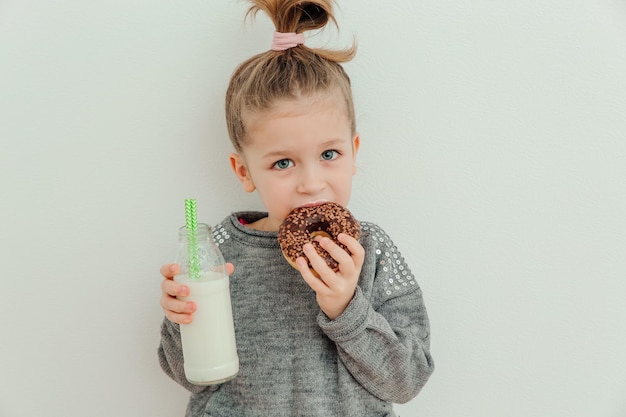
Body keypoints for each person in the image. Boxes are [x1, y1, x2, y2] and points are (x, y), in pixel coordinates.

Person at [158, 0, 434, 415]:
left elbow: (407, 380)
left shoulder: (372, 250)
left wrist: (346, 309)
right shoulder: (213, 254)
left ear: (354, 151)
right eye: (283, 163)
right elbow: (189, 375)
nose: (311, 183)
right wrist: (184, 320)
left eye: (329, 154)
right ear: (244, 170)